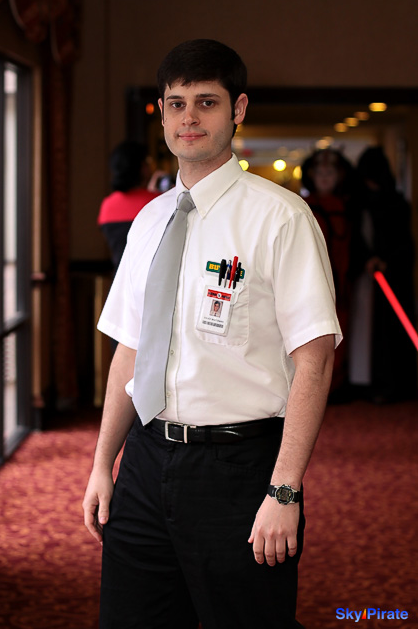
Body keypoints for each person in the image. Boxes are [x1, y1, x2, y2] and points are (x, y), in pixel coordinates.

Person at [83, 39, 342, 629]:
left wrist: (284, 490)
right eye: (176, 104)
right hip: (144, 462)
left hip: (239, 469)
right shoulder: (149, 219)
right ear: (162, 113)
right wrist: (103, 463)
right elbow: (130, 349)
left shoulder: (281, 218)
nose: (189, 118)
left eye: (207, 102)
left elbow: (315, 360)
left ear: (238, 109)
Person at [349, 146, 416, 402]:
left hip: (391, 279)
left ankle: (393, 383)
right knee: (365, 331)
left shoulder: (396, 204)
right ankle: (365, 381)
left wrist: (386, 260)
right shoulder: (357, 204)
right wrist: (367, 259)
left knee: (391, 331)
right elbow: (354, 239)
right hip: (365, 280)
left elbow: (403, 242)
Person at [301, 149, 354, 399]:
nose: (324, 177)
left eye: (329, 172)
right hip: (312, 283)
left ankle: (337, 383)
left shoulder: (348, 207)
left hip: (343, 282)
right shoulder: (302, 207)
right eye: (320, 172)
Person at [97, 140, 160, 271]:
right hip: (149, 277)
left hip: (119, 277)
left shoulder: (107, 204)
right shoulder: (157, 202)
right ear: (142, 167)